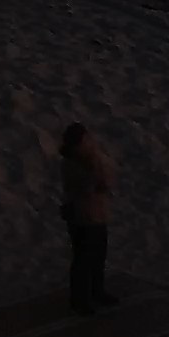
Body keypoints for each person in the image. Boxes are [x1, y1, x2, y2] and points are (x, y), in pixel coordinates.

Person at [59, 123, 118, 314]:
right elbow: (82, 188)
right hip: (82, 216)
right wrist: (94, 178)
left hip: (96, 213)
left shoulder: (91, 157)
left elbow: (105, 181)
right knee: (83, 258)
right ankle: (80, 300)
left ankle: (96, 291)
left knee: (98, 255)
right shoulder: (72, 162)